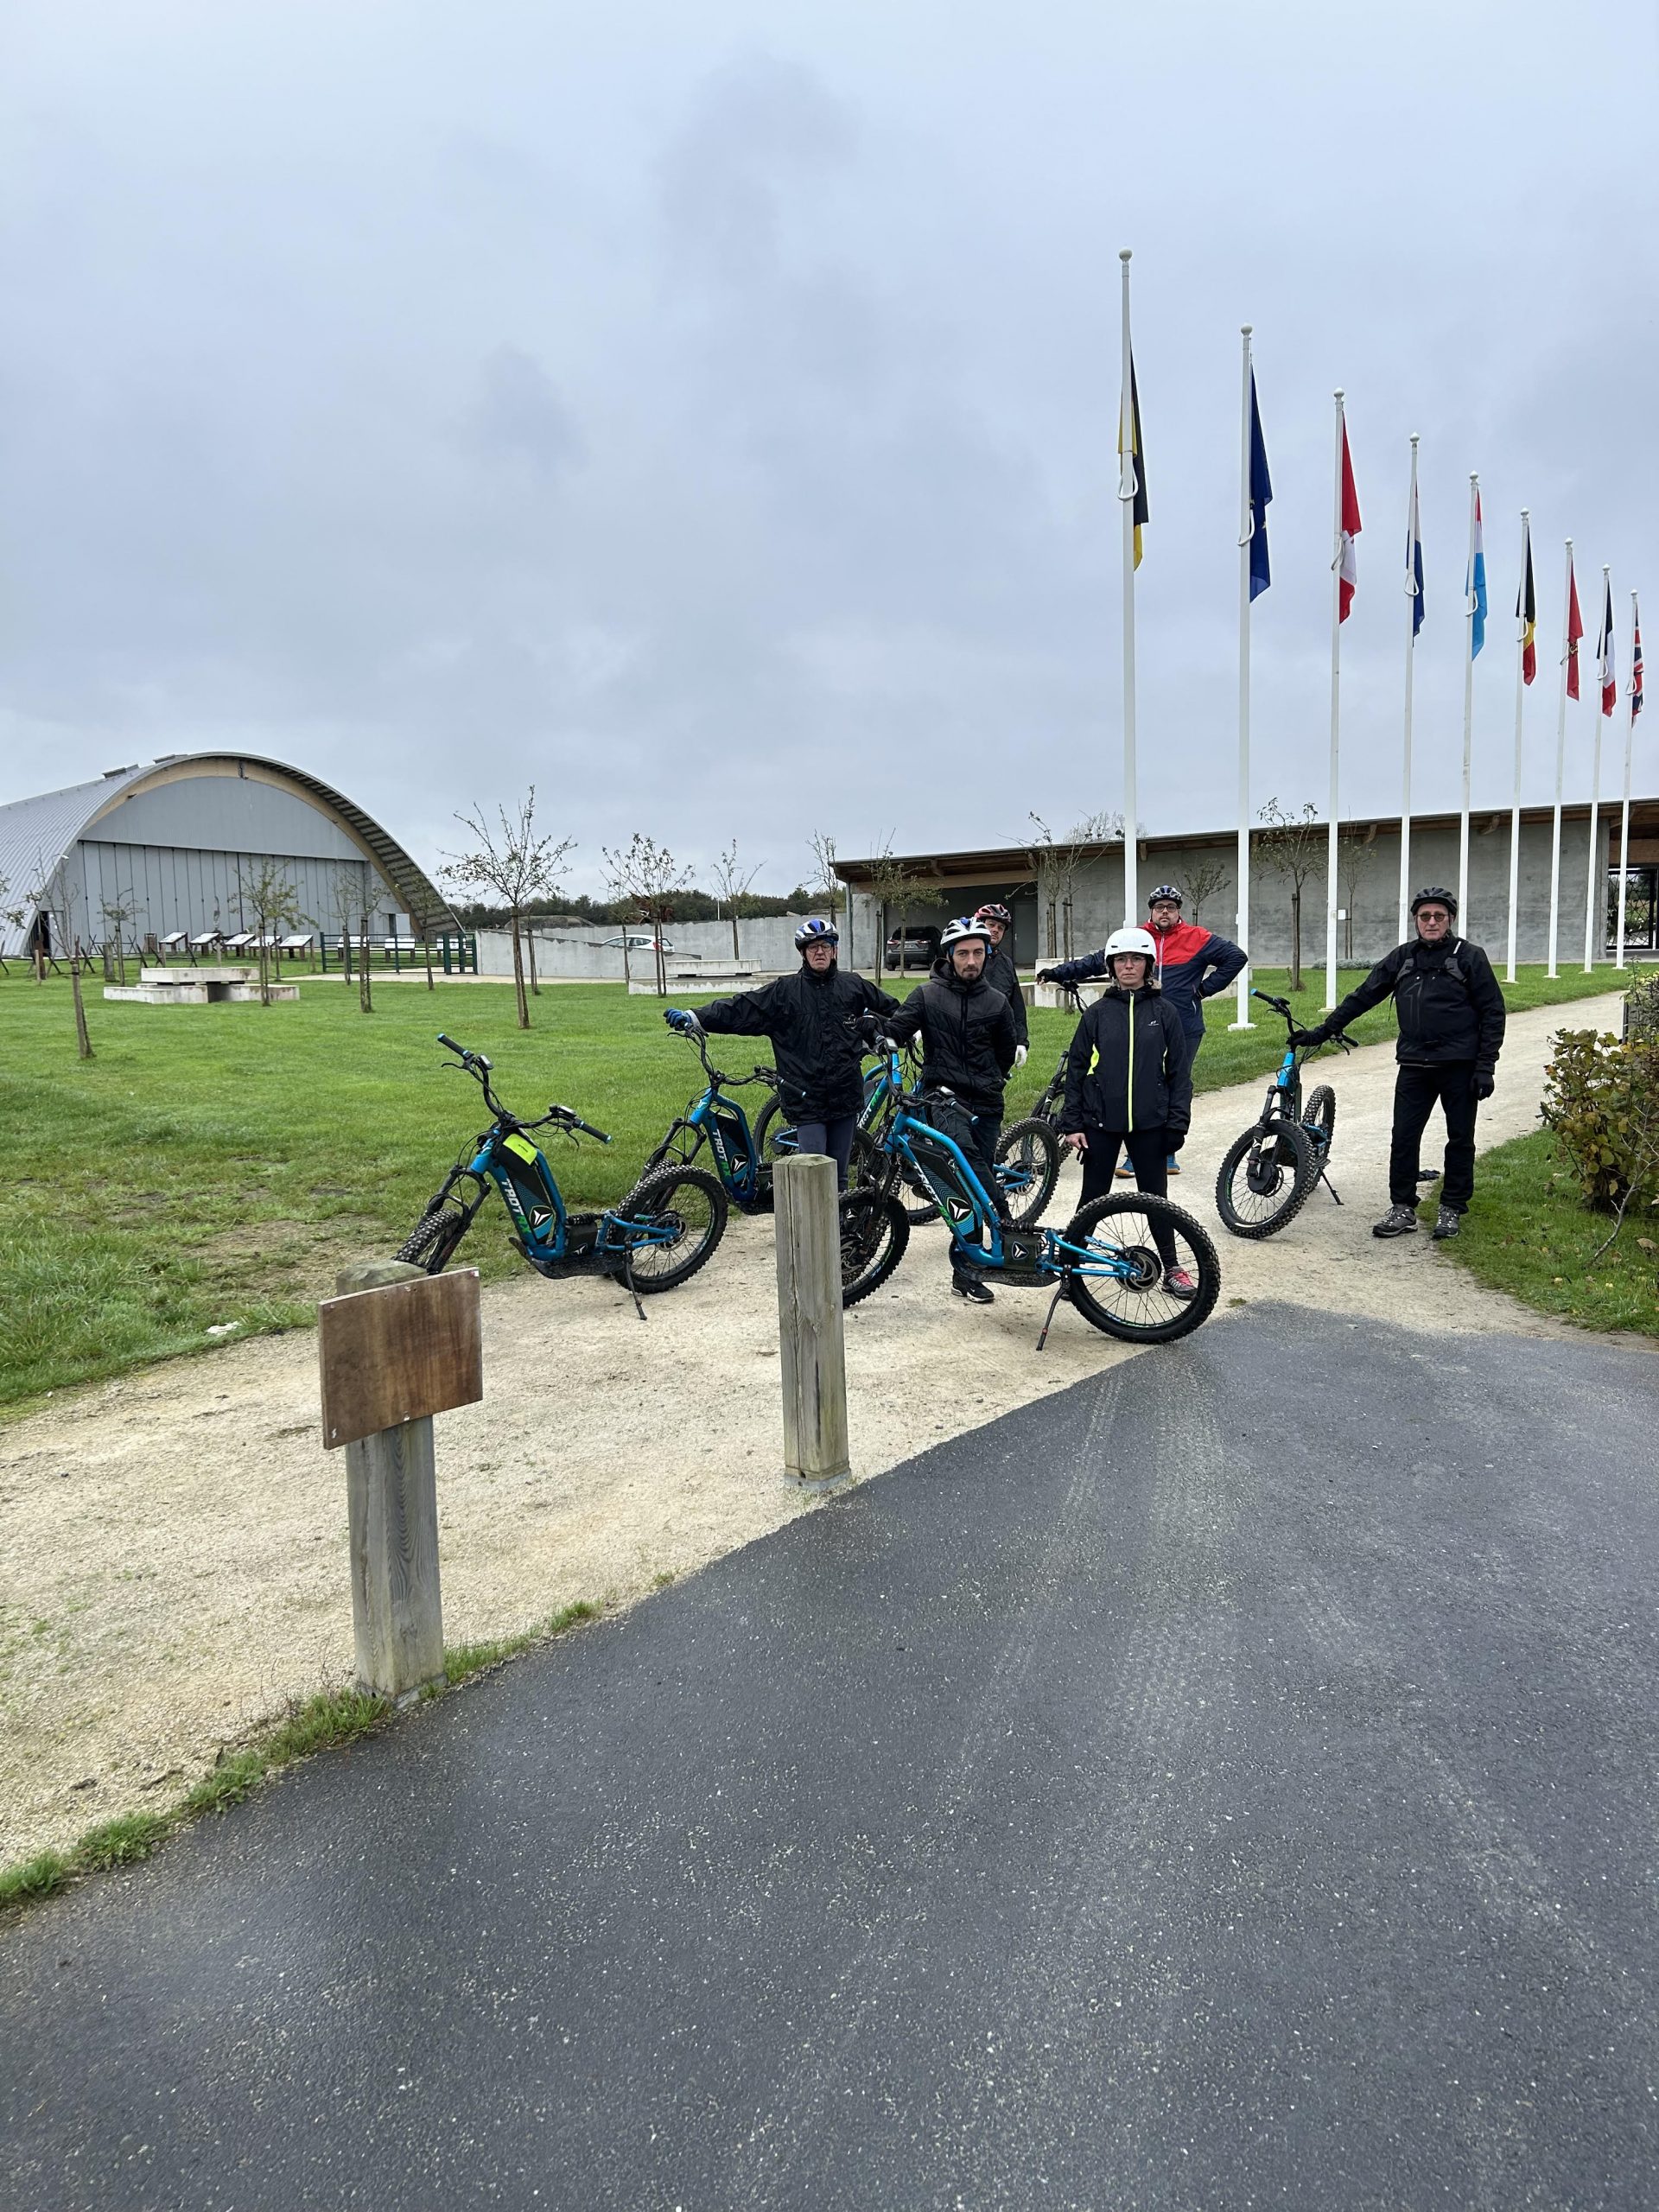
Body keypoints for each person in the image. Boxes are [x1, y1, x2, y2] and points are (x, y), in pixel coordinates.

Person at [1298, 886, 1506, 1240]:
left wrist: (1486, 1066)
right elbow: (1364, 995)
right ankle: (1403, 1206)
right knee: (1404, 1137)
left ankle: (1451, 1207)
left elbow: (1493, 1012)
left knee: (1460, 1138)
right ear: (1415, 920)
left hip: (1459, 1064)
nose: (1431, 922)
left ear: (1450, 919)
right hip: (1414, 1063)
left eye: (1439, 916)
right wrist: (1324, 1030)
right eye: (1425, 916)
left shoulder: (1469, 956)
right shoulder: (1403, 957)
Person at [664, 918, 895, 1191]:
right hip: (806, 1099)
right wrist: (696, 1017)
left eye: (825, 946)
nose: (819, 952)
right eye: (812, 947)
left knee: (840, 1177)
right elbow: (741, 1008)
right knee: (815, 1178)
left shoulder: (853, 986)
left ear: (835, 951)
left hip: (845, 1095)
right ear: (803, 953)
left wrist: (876, 1025)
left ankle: (840, 1232)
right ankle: (815, 1233)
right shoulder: (784, 991)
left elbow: (893, 1011)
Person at [1038, 883, 1245, 1173]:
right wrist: (1059, 972)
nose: (1165, 912)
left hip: (1183, 1024)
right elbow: (1098, 961)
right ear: (1151, 910)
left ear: (1178, 912)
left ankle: (1166, 1151)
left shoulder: (1197, 937)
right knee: (1136, 1086)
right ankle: (1136, 1151)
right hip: (1135, 1023)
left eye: (1170, 908)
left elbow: (1236, 957)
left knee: (1174, 1083)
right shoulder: (1138, 937)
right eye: (1159, 907)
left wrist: (1203, 991)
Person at [1055, 926, 1198, 1298]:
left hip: (1152, 1123)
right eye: (1121, 960)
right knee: (1091, 1199)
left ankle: (1172, 1268)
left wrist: (1177, 1123)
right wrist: (1073, 1123)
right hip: (1101, 1122)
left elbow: (1180, 1073)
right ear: (1112, 966)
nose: (1129, 966)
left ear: (1148, 964)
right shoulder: (1098, 1014)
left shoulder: (1165, 1012)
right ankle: (1073, 1270)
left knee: (1157, 1200)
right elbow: (1077, 1069)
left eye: (1136, 959)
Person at [886, 915, 1019, 1302]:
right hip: (943, 1098)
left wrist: (992, 1080)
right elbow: (897, 1029)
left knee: (974, 1180)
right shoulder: (927, 995)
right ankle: (1003, 1217)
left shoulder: (996, 1001)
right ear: (949, 956)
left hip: (987, 1101)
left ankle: (966, 1273)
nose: (971, 960)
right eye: (963, 953)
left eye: (978, 952)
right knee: (967, 1175)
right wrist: (872, 1031)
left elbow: (1005, 1053)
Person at [972, 904, 1030, 1071]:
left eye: (1001, 927)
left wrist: (1021, 1040)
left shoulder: (1005, 962)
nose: (996, 930)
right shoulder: (965, 957)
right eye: (991, 925)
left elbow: (1016, 1004)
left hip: (996, 1042)